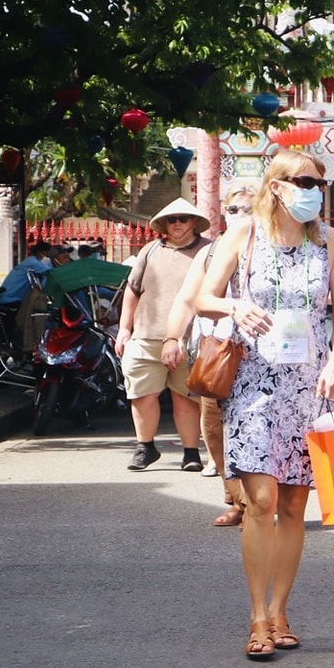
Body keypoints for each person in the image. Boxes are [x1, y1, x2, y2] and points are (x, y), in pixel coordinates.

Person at [196, 150, 334, 659]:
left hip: (308, 386)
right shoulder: (243, 235)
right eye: (305, 181)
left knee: (292, 503)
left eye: (320, 183)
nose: (315, 190)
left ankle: (281, 609)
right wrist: (234, 304)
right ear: (278, 185)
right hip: (253, 383)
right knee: (260, 500)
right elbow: (203, 297)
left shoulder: (328, 243)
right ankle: (257, 615)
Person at [167, 185, 257, 525]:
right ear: (223, 213)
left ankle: (263, 503)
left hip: (264, 356)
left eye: (248, 208)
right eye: (234, 209)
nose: (241, 215)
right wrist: (172, 338)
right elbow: (188, 299)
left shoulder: (275, 247)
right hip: (217, 355)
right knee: (216, 428)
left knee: (258, 431)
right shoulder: (211, 252)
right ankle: (236, 499)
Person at [115, 198, 210, 472]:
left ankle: (191, 452)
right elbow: (132, 291)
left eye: (183, 218)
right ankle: (145, 447)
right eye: (172, 219)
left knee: (186, 396)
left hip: (192, 338)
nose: (177, 223)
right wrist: (124, 329)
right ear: (164, 224)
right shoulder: (150, 250)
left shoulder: (208, 250)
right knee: (142, 393)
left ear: (194, 222)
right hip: (147, 334)